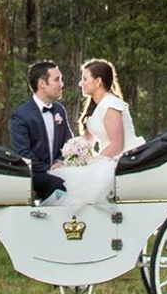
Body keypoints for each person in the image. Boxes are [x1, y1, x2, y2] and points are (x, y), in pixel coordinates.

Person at [45, 59, 143, 208]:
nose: (80, 83)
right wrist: (68, 160)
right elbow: (86, 144)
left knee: (76, 181)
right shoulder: (97, 107)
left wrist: (92, 164)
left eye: (84, 79)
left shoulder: (111, 104)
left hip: (120, 160)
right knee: (58, 174)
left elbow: (117, 145)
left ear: (98, 81)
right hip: (106, 158)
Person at [9, 61, 74, 201]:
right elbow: (23, 153)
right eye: (57, 79)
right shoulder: (21, 116)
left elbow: (69, 143)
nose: (61, 84)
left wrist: (61, 162)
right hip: (36, 173)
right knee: (60, 185)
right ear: (42, 84)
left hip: (60, 169)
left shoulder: (59, 110)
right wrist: (49, 169)